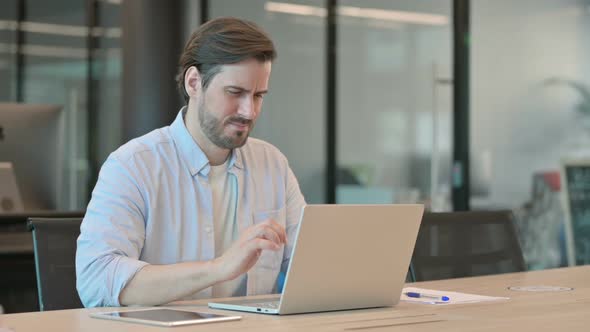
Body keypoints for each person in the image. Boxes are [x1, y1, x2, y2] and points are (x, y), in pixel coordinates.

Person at [76, 17, 306, 307]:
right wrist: (219, 268)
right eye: (235, 93)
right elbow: (96, 282)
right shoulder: (132, 166)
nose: (249, 111)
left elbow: (311, 265)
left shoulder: (273, 164)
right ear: (194, 82)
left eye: (258, 96)